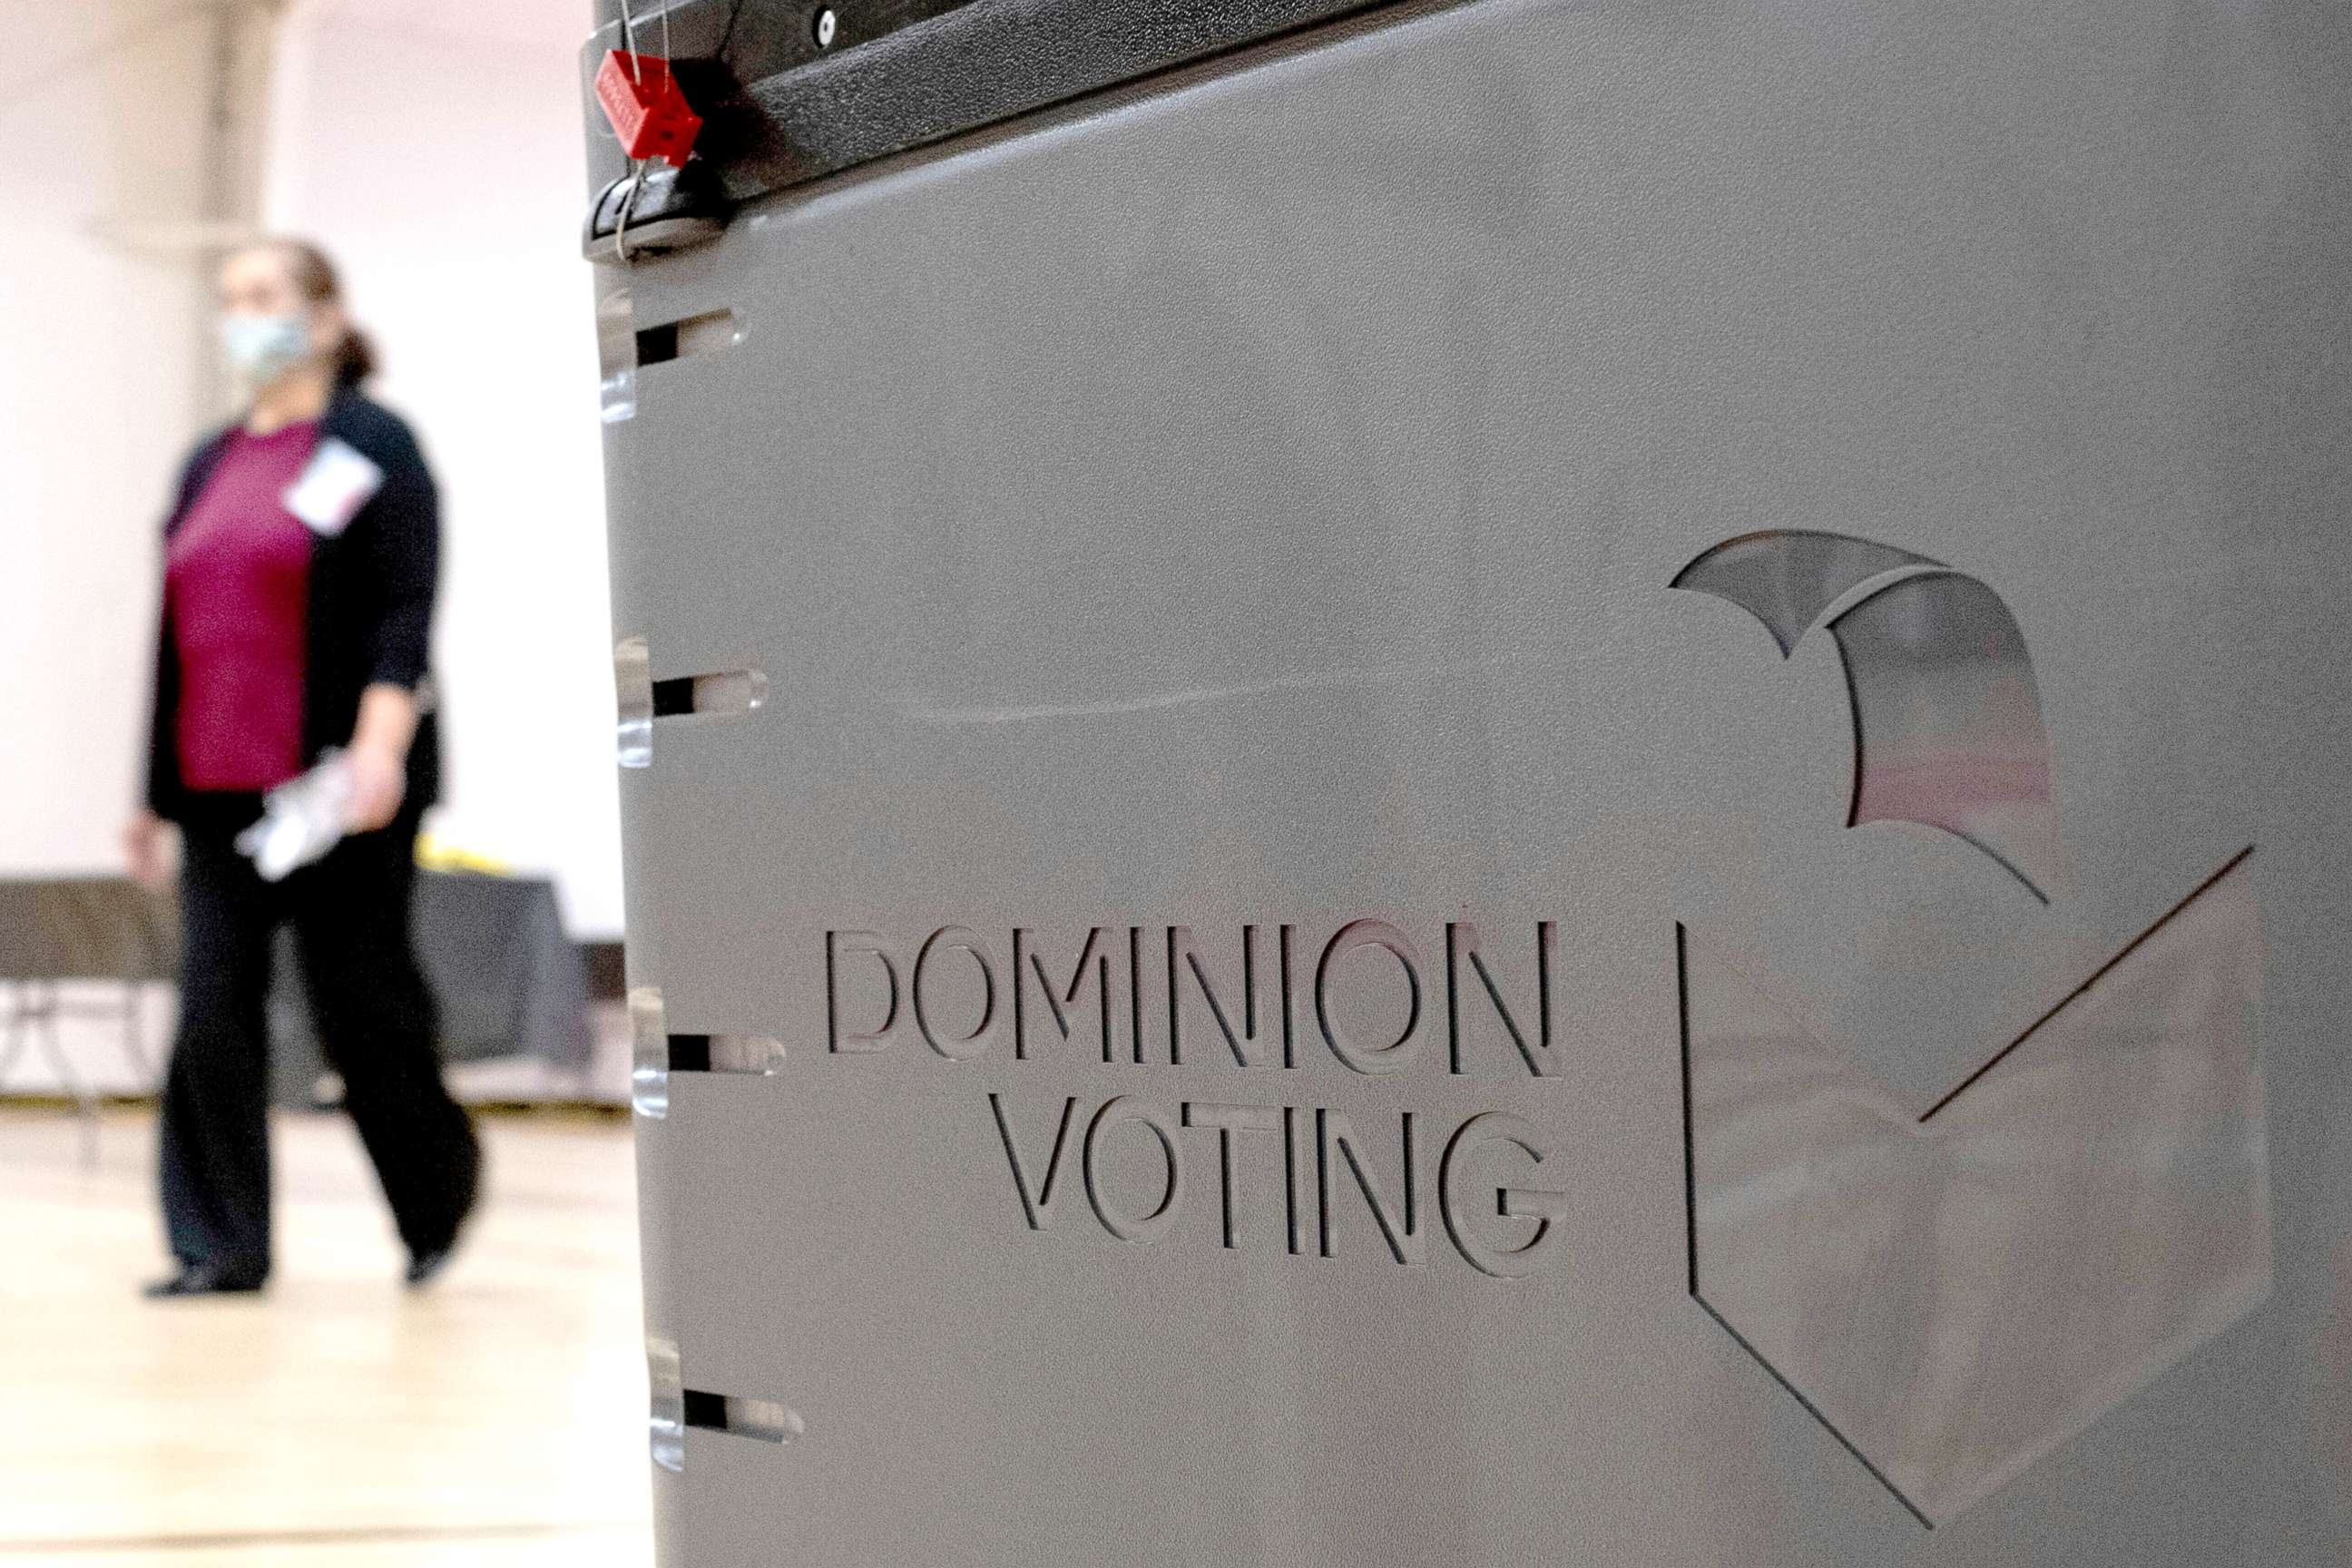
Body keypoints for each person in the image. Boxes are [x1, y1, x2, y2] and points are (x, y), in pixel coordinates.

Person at [125, 239, 480, 1298]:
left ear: (324, 319)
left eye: (265, 296)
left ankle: (436, 1195)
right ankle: (221, 1244)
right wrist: (150, 798)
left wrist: (378, 749)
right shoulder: (209, 460)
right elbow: (176, 634)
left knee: (362, 1011)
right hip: (216, 789)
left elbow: (402, 613)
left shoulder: (374, 444)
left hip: (337, 791)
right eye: (231, 299)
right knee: (210, 1008)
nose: (245, 316)